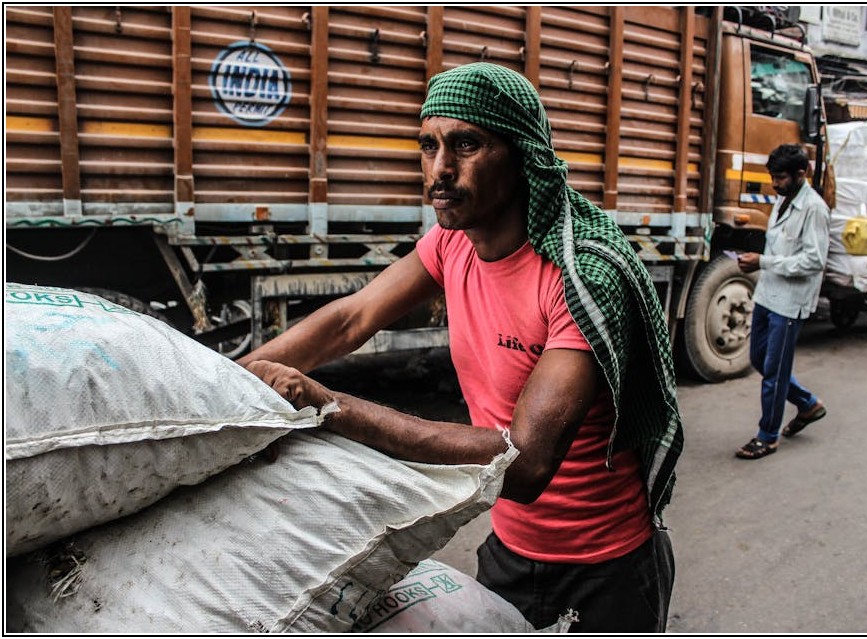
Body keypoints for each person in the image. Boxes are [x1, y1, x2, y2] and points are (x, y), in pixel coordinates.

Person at [237, 62, 683, 633]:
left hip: (606, 569)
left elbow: (525, 462)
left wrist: (329, 407)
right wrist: (231, 378)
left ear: (522, 156)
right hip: (508, 549)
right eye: (428, 146)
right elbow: (351, 319)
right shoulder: (451, 243)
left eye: (466, 145)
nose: (440, 169)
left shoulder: (579, 279)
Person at [735, 144, 830, 460]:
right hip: (768, 294)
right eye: (773, 177)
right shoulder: (782, 200)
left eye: (781, 178)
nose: (775, 184)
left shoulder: (814, 209)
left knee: (774, 371)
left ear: (802, 174)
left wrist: (763, 262)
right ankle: (807, 403)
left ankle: (767, 435)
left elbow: (813, 261)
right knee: (761, 360)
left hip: (789, 302)